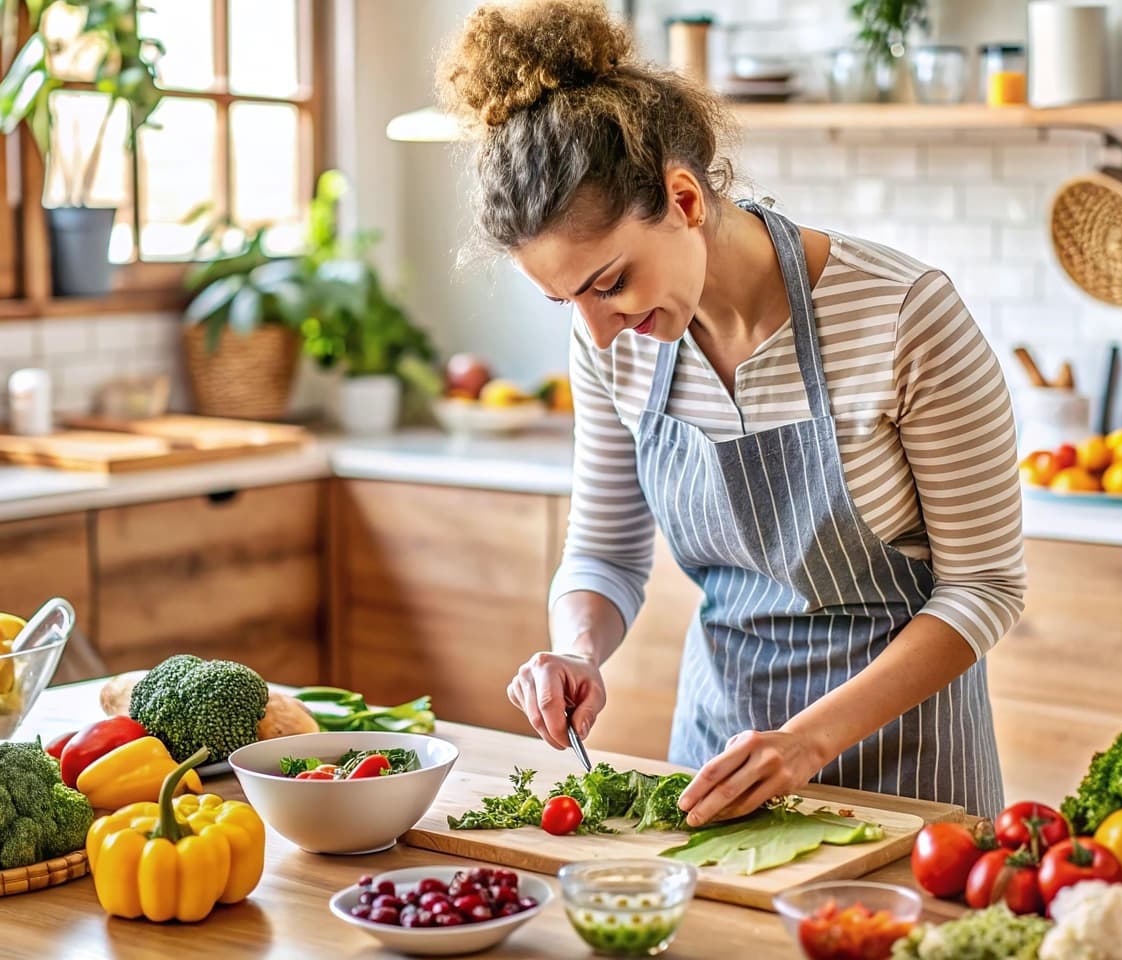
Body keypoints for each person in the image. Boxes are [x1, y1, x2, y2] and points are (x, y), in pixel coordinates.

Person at [437, 0, 1026, 823]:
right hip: (719, 765)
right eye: (564, 301)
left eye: (609, 282)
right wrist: (577, 651)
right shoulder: (617, 341)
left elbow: (983, 588)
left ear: (683, 201)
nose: (597, 330)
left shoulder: (901, 315)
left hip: (911, 777)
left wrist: (807, 743)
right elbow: (604, 552)